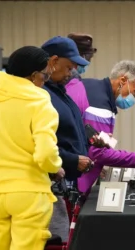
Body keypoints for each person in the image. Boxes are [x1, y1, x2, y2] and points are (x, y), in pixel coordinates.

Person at [0, 46, 64, 250]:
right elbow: (45, 153)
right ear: (34, 75)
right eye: (45, 76)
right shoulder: (39, 101)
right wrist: (56, 167)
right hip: (29, 192)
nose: (45, 82)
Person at [66, 60, 135, 194]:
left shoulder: (89, 86)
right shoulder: (99, 105)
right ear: (123, 80)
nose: (134, 99)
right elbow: (98, 153)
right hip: (70, 180)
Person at [41, 36, 93, 242]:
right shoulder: (41, 95)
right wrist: (71, 160)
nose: (71, 72)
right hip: (48, 184)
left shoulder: (60, 92)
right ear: (53, 62)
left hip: (64, 184)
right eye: (68, 67)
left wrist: (88, 141)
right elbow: (39, 144)